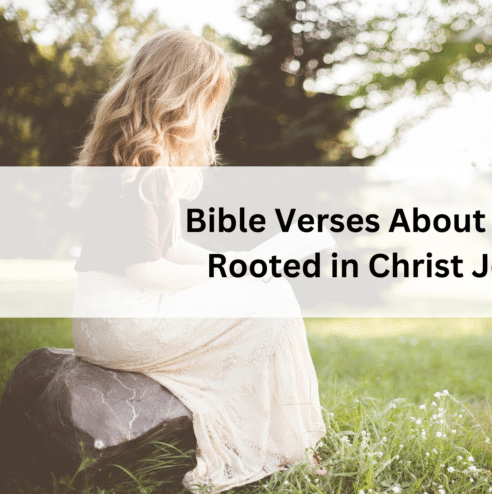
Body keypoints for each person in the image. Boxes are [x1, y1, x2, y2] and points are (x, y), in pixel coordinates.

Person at [70, 30, 326, 493]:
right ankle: (286, 447)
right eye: (208, 98)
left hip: (110, 315)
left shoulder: (134, 153)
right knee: (273, 294)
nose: (212, 114)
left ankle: (288, 445)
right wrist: (245, 271)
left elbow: (169, 248)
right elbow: (151, 272)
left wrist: (242, 264)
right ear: (180, 95)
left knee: (267, 288)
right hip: (123, 317)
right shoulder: (140, 166)